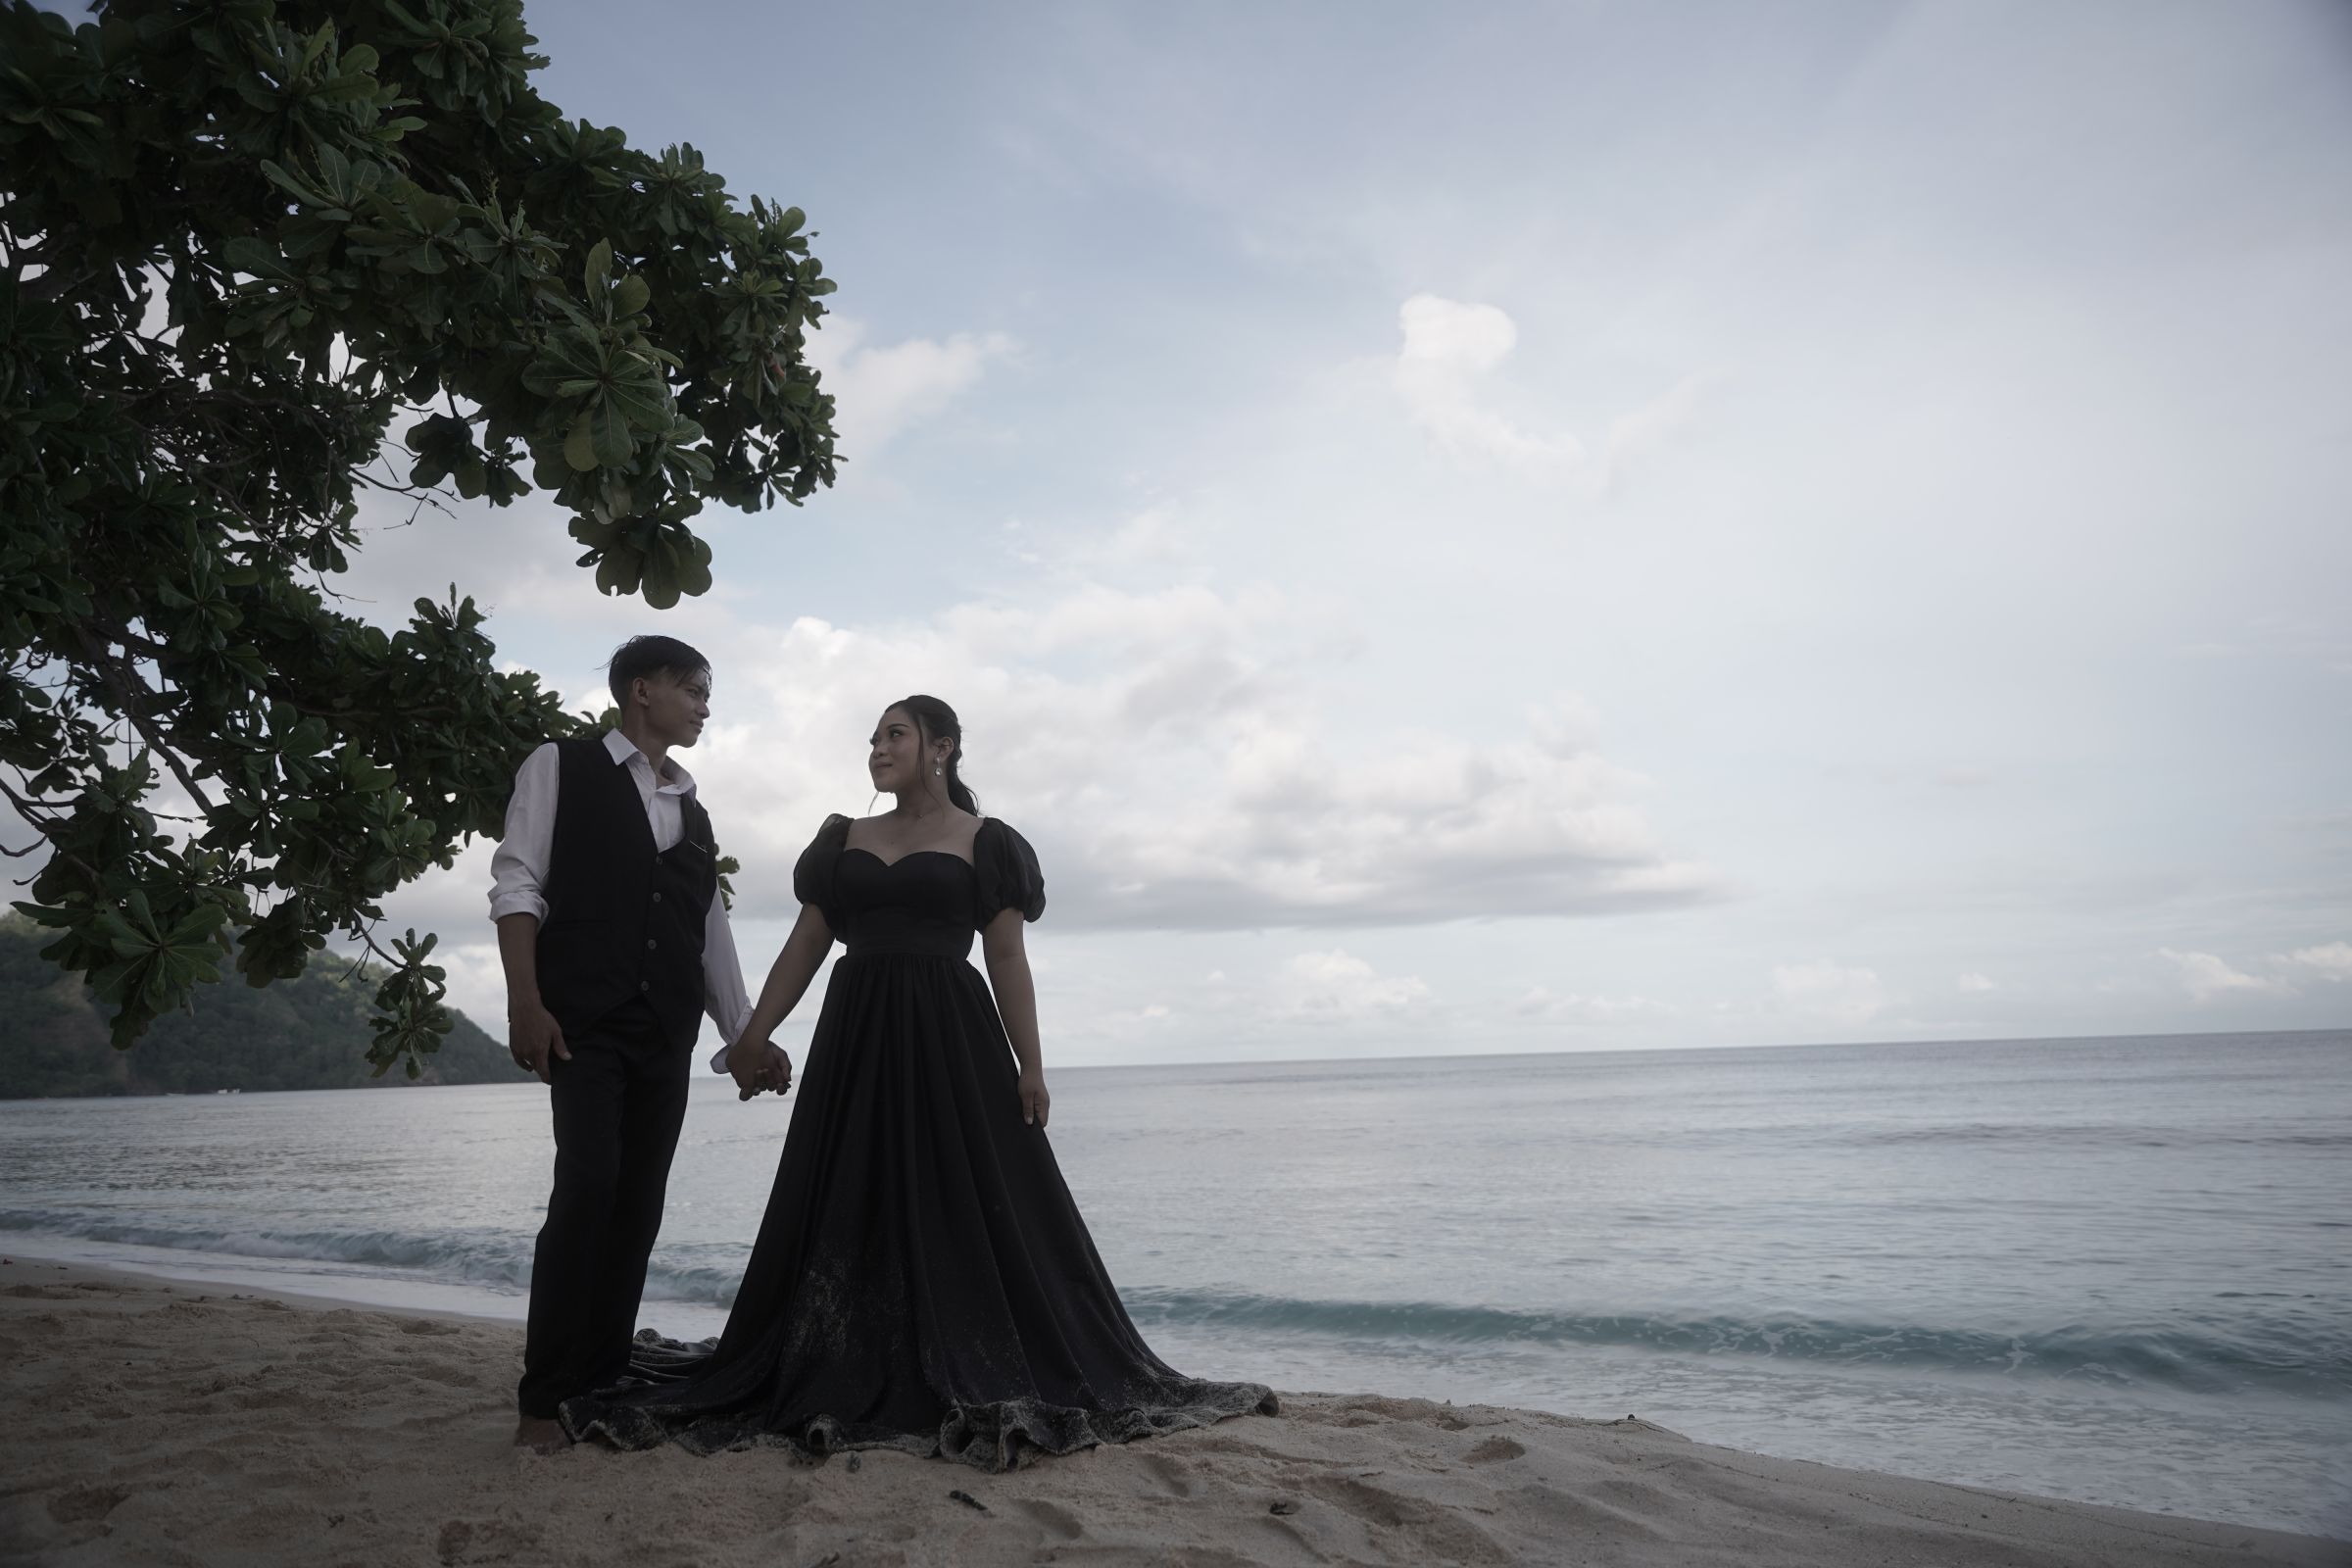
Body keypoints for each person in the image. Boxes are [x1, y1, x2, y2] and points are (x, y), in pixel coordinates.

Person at [558, 695, 1276, 1468]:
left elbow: (1006, 957)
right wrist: (753, 1035)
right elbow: (807, 944)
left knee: (959, 1196)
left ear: (942, 747)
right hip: (857, 1034)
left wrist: (1031, 1065)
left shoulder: (988, 842)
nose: (878, 747)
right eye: (873, 737)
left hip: (950, 1039)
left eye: (894, 734)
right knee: (850, 1187)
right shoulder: (843, 839)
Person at [489, 634, 784, 1451]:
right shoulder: (560, 765)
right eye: (694, 689)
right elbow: (517, 883)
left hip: (665, 1034)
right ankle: (544, 1399)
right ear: (642, 690)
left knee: (638, 1203)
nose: (704, 706)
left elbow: (707, 931)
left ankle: (601, 1373)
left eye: (706, 693)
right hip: (582, 1023)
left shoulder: (694, 812)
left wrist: (744, 1037)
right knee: (587, 1189)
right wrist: (525, 1002)